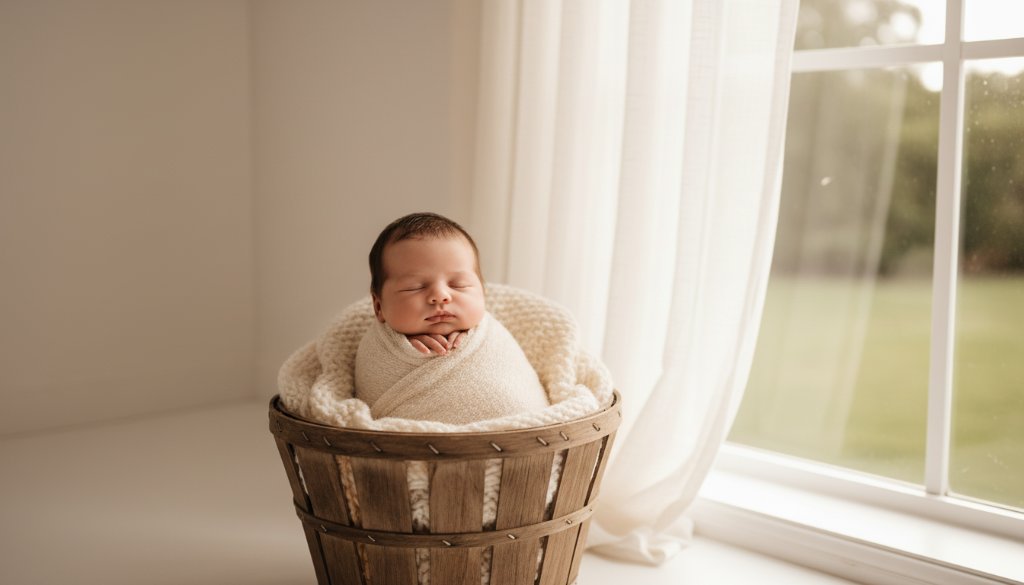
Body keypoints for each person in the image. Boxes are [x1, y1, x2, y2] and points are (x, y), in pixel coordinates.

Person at [354, 212, 549, 424]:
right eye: (415, 287)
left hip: (528, 440)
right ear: (379, 306)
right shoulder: (376, 345)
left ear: (482, 293)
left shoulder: (492, 336)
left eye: (459, 285)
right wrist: (405, 350)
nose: (441, 296)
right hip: (417, 449)